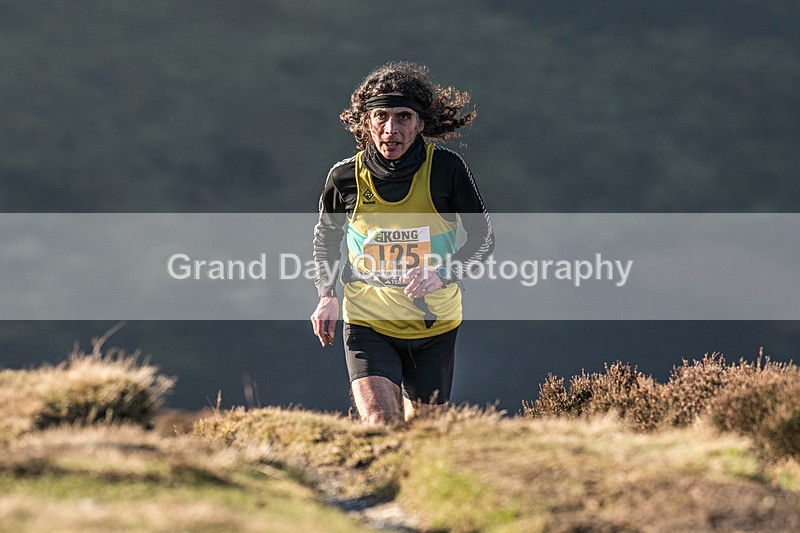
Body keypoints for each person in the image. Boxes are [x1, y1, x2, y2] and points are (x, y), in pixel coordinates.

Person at [310, 61, 494, 424]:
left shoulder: (446, 169)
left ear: (421, 123)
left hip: (433, 324)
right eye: (380, 116)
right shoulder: (345, 177)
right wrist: (326, 294)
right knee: (380, 421)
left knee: (424, 432)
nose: (390, 129)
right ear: (366, 123)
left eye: (403, 117)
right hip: (368, 319)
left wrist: (443, 273)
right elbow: (327, 237)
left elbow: (482, 238)